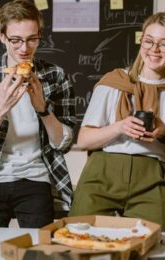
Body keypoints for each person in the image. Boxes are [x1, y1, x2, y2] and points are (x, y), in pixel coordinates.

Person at [0, 0, 76, 228]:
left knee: (38, 249)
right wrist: (1, 107)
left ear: (40, 35)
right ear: (2, 36)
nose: (24, 48)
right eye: (16, 40)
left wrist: (42, 107)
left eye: (32, 39)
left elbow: (63, 144)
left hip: (36, 177)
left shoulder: (55, 75)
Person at [69, 12, 165, 230]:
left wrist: (163, 131)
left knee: (154, 244)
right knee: (79, 236)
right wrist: (120, 126)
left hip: (153, 174)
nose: (154, 49)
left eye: (163, 43)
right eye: (149, 41)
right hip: (103, 171)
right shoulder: (114, 81)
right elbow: (84, 140)